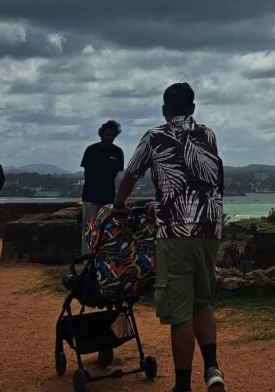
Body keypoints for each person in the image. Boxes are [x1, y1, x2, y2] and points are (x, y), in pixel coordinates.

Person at [114, 83, 225, 392]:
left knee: (179, 310)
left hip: (175, 230)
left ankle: (182, 385)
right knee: (203, 301)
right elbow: (199, 178)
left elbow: (131, 175)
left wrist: (119, 206)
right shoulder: (209, 135)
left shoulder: (155, 137)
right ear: (193, 108)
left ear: (165, 110)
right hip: (208, 226)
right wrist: (160, 202)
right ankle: (213, 369)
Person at [80, 120, 124, 253]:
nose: (109, 138)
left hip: (108, 195)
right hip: (90, 194)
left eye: (112, 136)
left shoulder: (118, 152)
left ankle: (104, 255)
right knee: (88, 227)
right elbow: (87, 174)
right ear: (101, 134)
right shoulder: (91, 150)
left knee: (108, 228)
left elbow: (116, 174)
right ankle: (86, 256)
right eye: (107, 135)